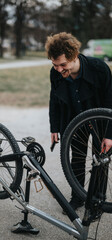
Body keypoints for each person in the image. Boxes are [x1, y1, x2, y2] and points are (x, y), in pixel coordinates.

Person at [45, 32, 112, 212]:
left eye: (62, 65)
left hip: (100, 121)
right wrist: (55, 127)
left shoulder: (99, 69)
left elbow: (110, 103)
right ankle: (78, 198)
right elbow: (54, 100)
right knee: (77, 159)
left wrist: (109, 135)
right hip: (74, 120)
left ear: (74, 56)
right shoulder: (56, 73)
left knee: (100, 161)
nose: (58, 69)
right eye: (54, 65)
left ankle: (97, 201)